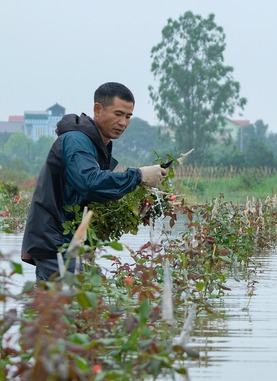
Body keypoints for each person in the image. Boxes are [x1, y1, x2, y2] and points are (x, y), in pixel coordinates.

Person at [21, 82, 168, 281]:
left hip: (69, 240)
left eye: (128, 116)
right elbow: (89, 182)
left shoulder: (96, 144)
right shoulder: (76, 141)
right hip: (55, 241)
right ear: (97, 109)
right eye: (118, 114)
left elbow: (95, 193)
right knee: (64, 304)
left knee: (68, 305)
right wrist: (138, 176)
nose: (123, 122)